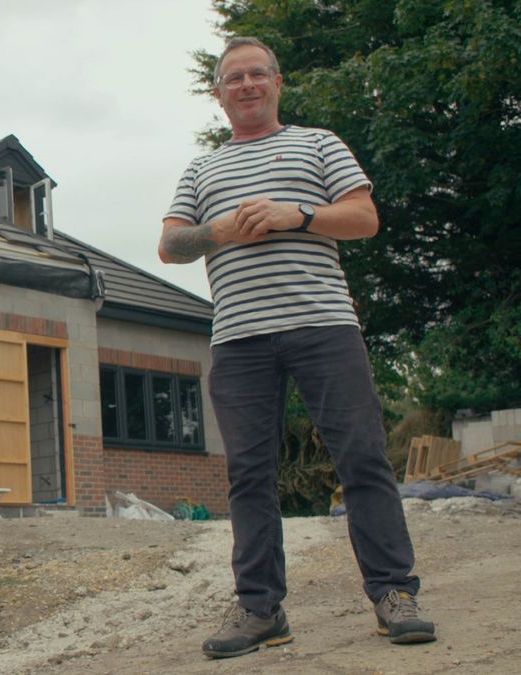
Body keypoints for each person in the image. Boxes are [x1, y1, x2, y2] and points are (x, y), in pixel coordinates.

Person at [159, 36, 436, 659]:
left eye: (258, 74)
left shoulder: (319, 143)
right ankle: (260, 610)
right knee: (249, 476)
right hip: (238, 338)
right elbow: (170, 246)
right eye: (235, 78)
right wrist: (220, 230)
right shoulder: (202, 170)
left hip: (324, 326)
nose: (248, 85)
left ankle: (395, 594)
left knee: (362, 459)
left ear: (278, 83)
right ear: (219, 93)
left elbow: (364, 219)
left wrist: (298, 216)